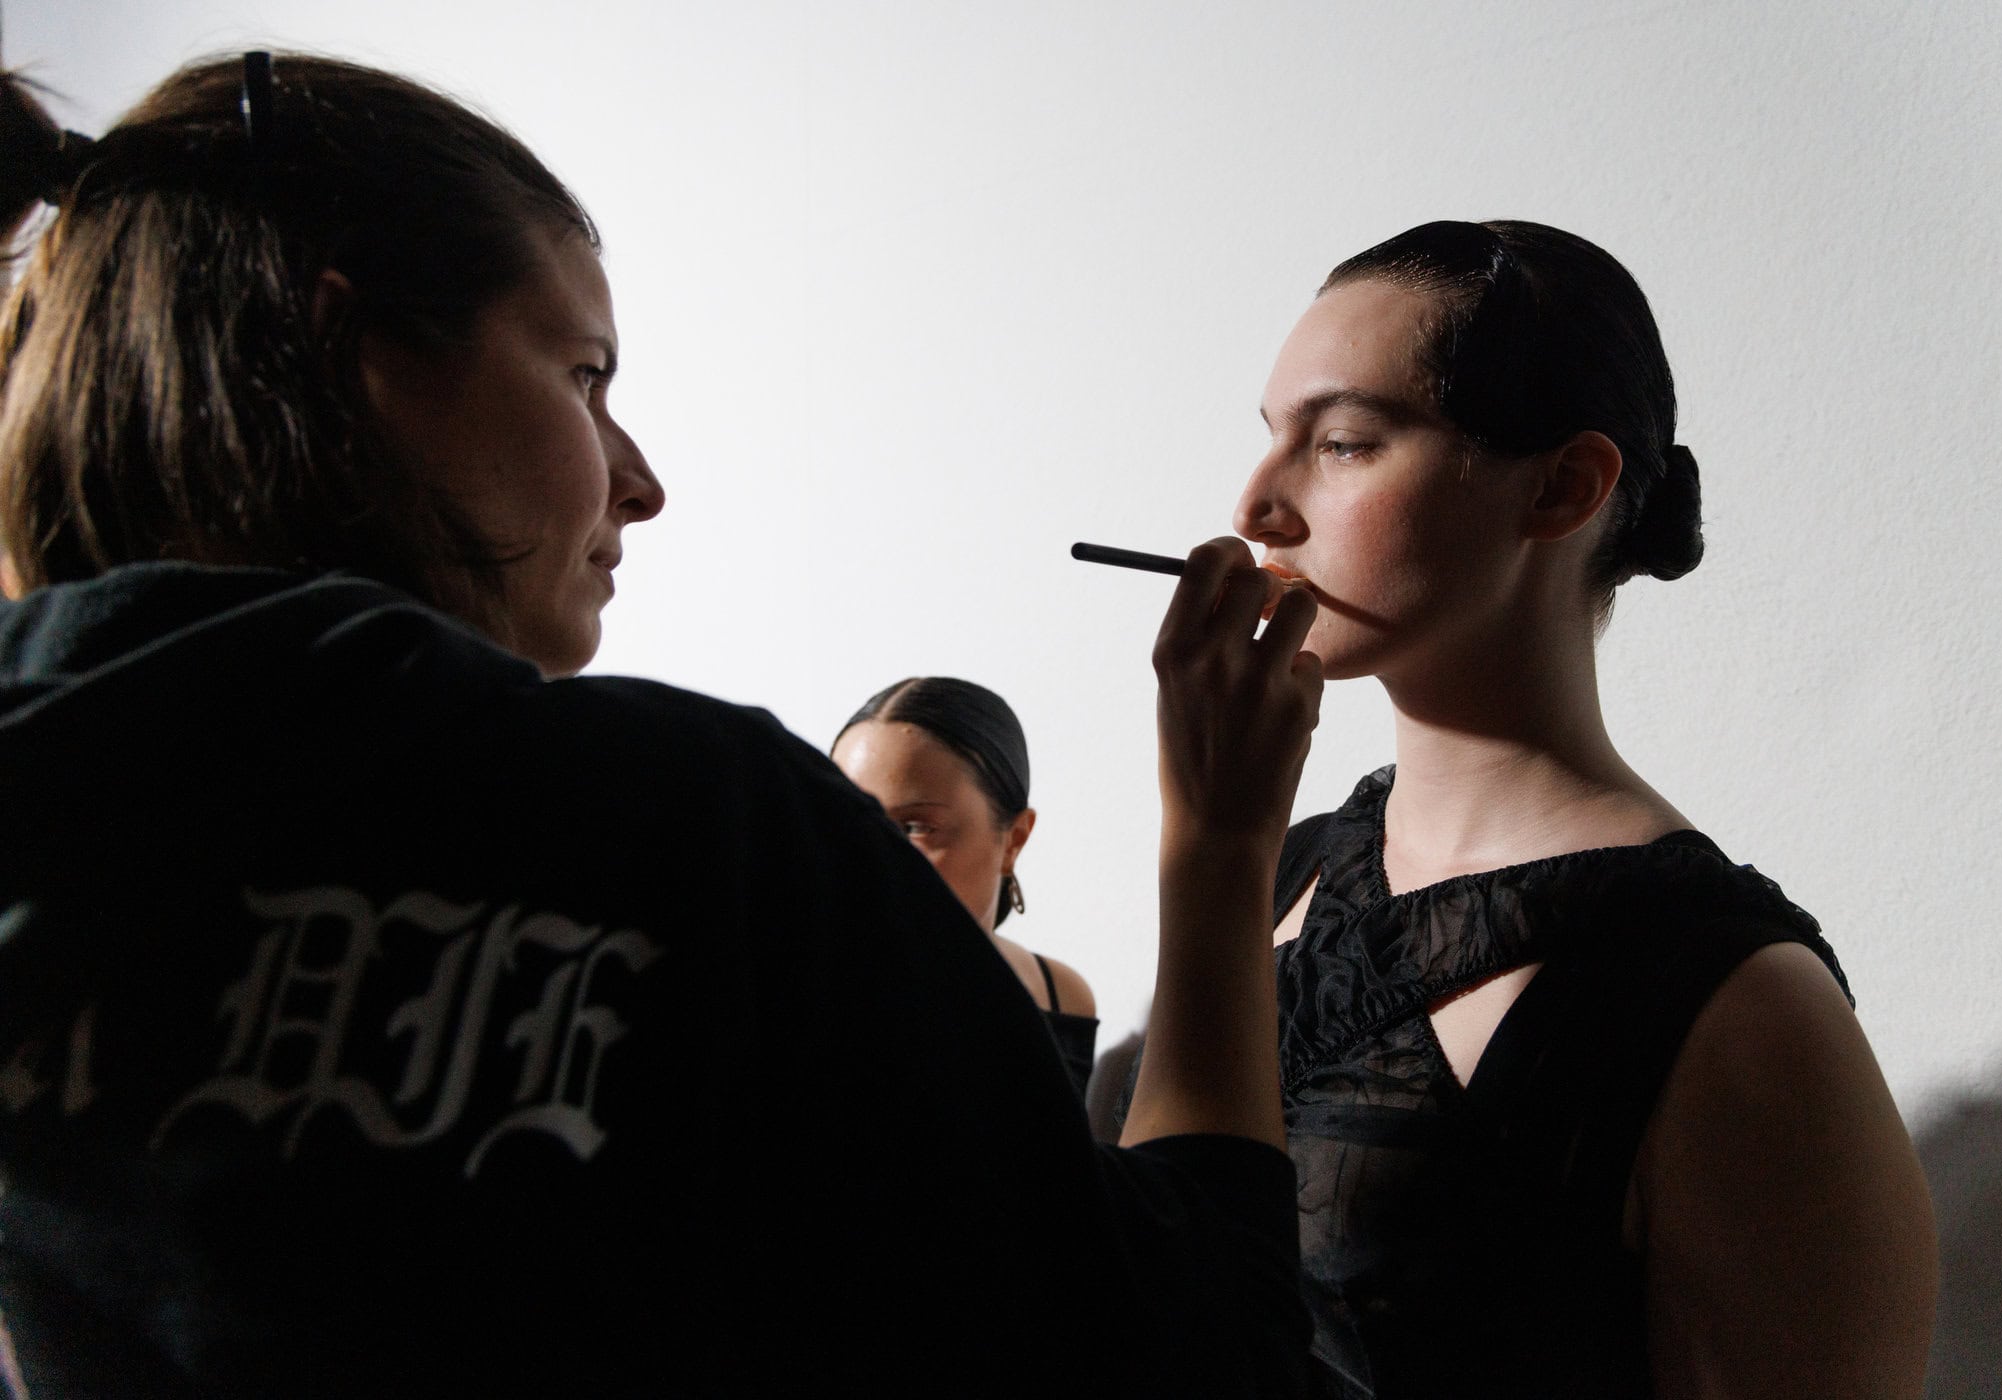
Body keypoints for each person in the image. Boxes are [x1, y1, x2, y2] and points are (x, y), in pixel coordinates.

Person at [0, 52, 1324, 1397]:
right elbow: (1197, 1360)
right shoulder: (697, 827)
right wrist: (1219, 853)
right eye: (585, 378)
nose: (640, 483)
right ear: (346, 352)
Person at [1233, 221, 1938, 1396]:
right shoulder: (1280, 866)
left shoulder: (1726, 1001)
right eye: (1271, 440)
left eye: (1346, 442)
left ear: (1565, 485)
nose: (1257, 503)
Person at [833, 677, 1099, 1098]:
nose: (872, 854)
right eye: (850, 822)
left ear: (1014, 839)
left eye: (915, 827)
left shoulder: (1060, 994)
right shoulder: (805, 984)